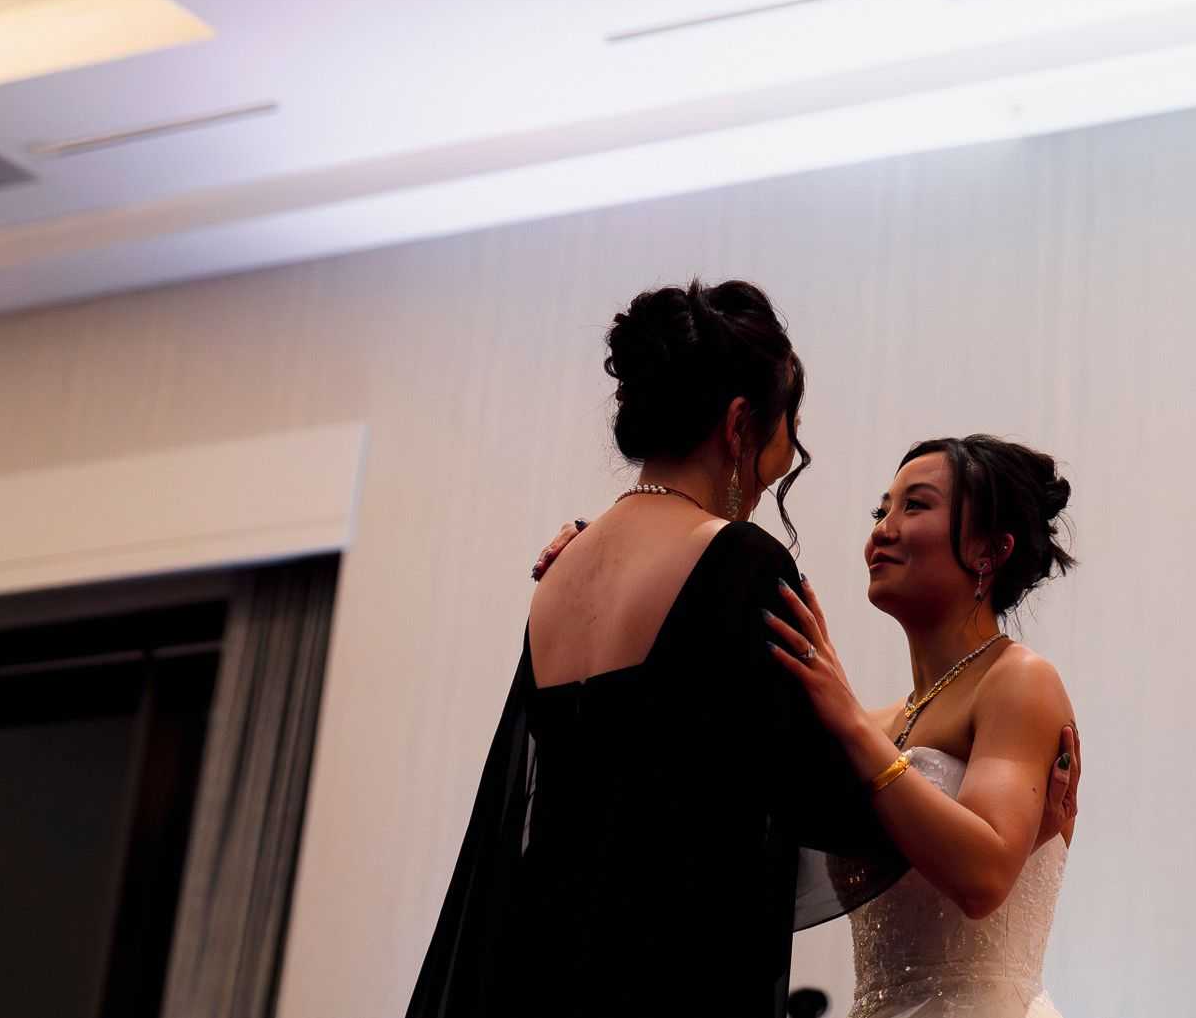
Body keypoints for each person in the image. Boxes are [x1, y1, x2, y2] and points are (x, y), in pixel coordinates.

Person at [407, 281, 898, 1018]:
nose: (779, 466)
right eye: (782, 437)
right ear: (739, 424)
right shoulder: (741, 562)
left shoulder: (560, 567)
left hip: (539, 965)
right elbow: (822, 803)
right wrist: (937, 760)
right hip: (666, 966)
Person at [772, 436, 1084, 1018]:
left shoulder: (1018, 682)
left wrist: (848, 724)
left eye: (914, 506)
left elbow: (984, 877)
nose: (883, 530)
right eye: (880, 511)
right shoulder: (873, 721)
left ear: (990, 548)